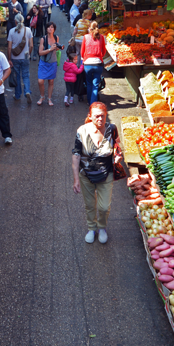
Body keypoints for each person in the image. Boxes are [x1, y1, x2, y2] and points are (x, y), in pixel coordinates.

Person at [72, 102, 122, 244]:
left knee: (104, 206)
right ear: (90, 116)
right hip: (86, 175)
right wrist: (76, 179)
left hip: (106, 173)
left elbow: (117, 143)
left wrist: (118, 154)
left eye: (103, 116)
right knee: (89, 204)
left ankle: (102, 227)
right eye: (96, 116)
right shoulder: (82, 131)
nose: (100, 119)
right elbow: (76, 154)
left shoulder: (111, 128)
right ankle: (91, 228)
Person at [7, 14, 33, 103]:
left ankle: (17, 95)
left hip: (15, 58)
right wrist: (28, 54)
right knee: (26, 75)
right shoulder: (28, 30)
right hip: (25, 56)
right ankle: (27, 91)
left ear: (15, 21)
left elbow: (9, 47)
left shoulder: (11, 31)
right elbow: (31, 45)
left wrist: (9, 59)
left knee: (17, 76)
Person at [81, 22, 107, 105]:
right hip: (98, 64)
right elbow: (104, 51)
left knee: (89, 83)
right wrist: (100, 56)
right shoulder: (102, 37)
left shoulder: (85, 37)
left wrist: (84, 58)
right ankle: (93, 103)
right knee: (95, 85)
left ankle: (89, 102)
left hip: (87, 64)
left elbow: (82, 51)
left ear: (89, 29)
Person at [37, 22, 61, 107]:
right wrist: (50, 49)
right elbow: (40, 52)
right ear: (46, 29)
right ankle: (42, 96)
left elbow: (57, 49)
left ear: (54, 29)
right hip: (44, 62)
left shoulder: (56, 37)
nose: (50, 29)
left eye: (52, 27)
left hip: (53, 62)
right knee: (40, 81)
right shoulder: (43, 39)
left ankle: (49, 98)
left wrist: (59, 47)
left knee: (51, 81)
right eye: (48, 27)